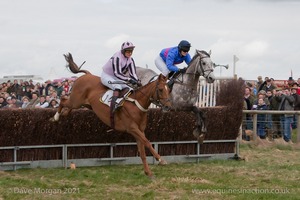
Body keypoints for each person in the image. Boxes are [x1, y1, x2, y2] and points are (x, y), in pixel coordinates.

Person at [101, 41, 141, 113]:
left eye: (131, 51)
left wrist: (137, 80)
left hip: (116, 77)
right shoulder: (117, 57)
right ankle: (113, 106)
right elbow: (118, 73)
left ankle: (120, 102)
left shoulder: (130, 59)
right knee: (118, 86)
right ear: (123, 51)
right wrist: (129, 80)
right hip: (107, 75)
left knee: (129, 88)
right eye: (128, 51)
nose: (130, 53)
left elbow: (133, 73)